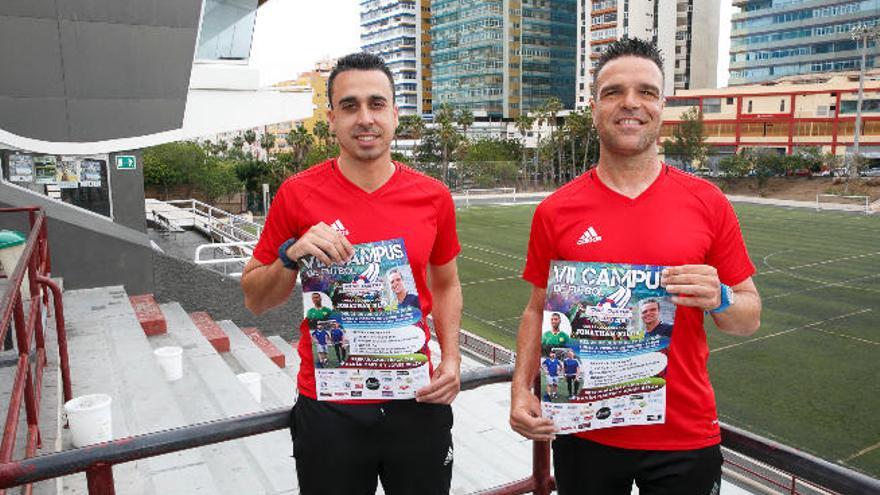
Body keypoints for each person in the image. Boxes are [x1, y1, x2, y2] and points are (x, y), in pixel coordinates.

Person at [509, 37, 762, 495]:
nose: (631, 104)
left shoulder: (708, 202)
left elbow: (748, 317)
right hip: (583, 429)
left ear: (662, 105)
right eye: (614, 92)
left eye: (646, 92)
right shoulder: (555, 210)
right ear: (594, 107)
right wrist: (520, 388)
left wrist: (721, 297)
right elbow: (536, 310)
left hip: (683, 436)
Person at [241, 52, 463, 495]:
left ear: (396, 114)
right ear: (332, 118)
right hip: (330, 406)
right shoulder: (296, 194)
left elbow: (446, 282)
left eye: (377, 104)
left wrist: (453, 358)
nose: (365, 118)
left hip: (416, 400)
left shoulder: (433, 196)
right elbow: (255, 298)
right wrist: (291, 256)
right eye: (350, 106)